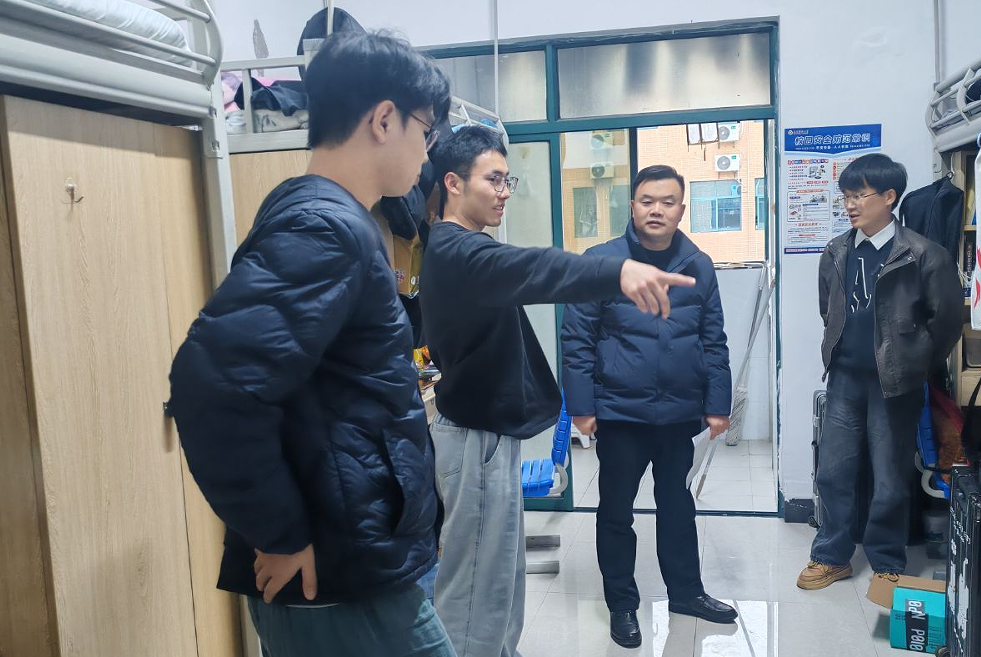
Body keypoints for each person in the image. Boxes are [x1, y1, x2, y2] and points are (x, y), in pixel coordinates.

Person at [168, 32, 456, 657]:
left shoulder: (329, 216)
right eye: (426, 131)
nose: (427, 153)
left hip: (351, 554)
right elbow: (213, 387)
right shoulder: (323, 227)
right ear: (384, 119)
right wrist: (280, 533)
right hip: (334, 571)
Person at [419, 126, 696, 657]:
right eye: (493, 180)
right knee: (475, 591)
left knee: (498, 583)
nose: (504, 191)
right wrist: (617, 272)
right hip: (474, 437)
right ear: (453, 183)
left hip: (488, 435)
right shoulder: (457, 250)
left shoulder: (466, 248)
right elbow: (535, 268)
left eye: (508, 180)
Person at [560, 164, 738, 649]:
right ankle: (622, 603)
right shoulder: (602, 262)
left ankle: (687, 593)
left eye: (667, 201)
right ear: (633, 205)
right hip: (620, 413)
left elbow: (713, 339)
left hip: (679, 413)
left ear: (682, 209)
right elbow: (576, 340)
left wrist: (717, 404)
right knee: (616, 510)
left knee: (677, 505)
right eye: (646, 200)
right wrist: (581, 406)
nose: (656, 209)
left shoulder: (698, 264)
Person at [798, 153, 963, 590]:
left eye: (859, 196)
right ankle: (831, 556)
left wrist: (914, 363)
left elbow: (947, 324)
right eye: (846, 197)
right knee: (832, 472)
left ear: (889, 197)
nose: (850, 205)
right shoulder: (836, 251)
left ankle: (887, 561)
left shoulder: (924, 254)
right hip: (844, 379)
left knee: (890, 478)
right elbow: (828, 309)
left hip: (895, 384)